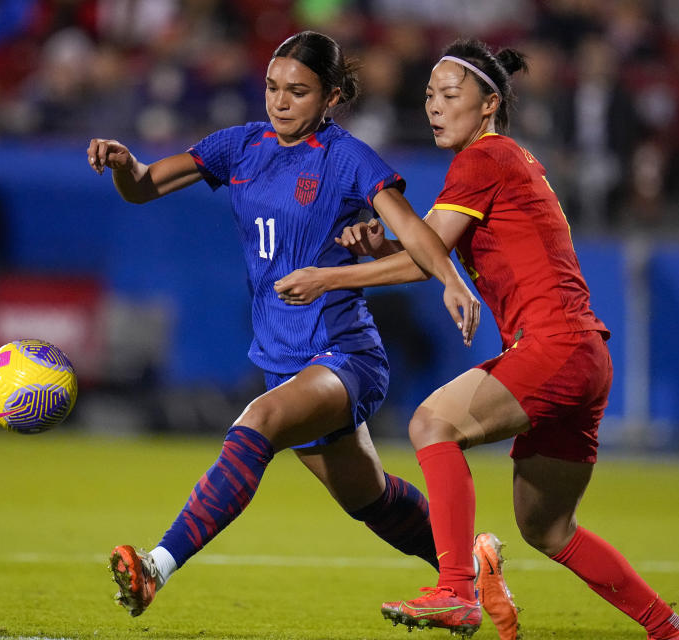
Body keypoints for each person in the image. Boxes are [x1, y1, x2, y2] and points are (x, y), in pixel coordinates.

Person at [274, 38, 679, 640]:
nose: (434, 107)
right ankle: (672, 629)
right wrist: (386, 248)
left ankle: (455, 589)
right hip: (585, 355)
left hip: (553, 346)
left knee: (431, 425)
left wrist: (329, 276)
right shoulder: (510, 160)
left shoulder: (484, 159)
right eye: (428, 96)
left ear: (488, 104)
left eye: (450, 95)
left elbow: (429, 262)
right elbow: (430, 249)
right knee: (547, 528)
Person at [86, 30, 511, 631]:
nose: (280, 102)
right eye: (272, 87)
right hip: (282, 355)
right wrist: (127, 166)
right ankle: (474, 561)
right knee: (369, 499)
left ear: (332, 97)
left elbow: (415, 231)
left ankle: (156, 565)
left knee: (255, 423)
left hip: (344, 353)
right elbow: (145, 187)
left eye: (299, 91)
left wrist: (450, 279)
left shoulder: (347, 157)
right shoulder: (237, 146)